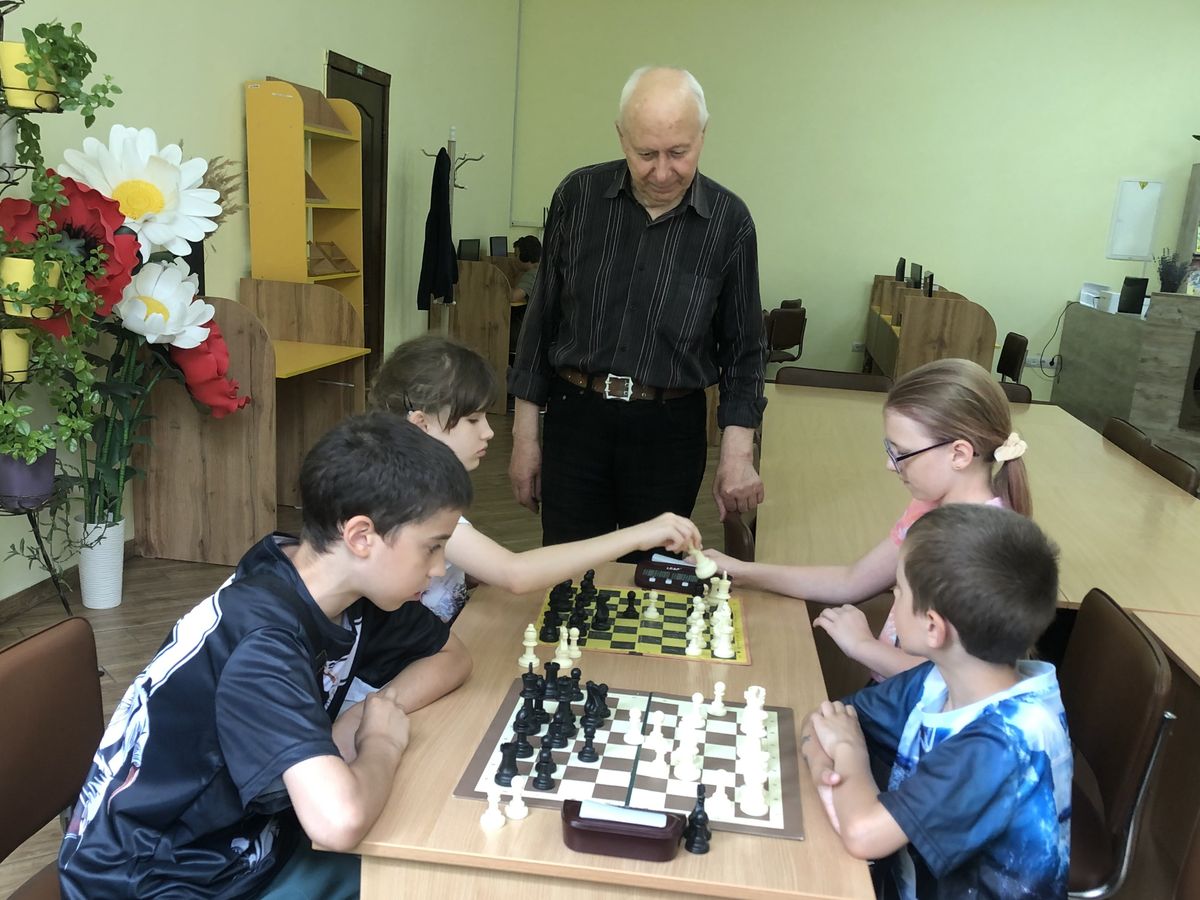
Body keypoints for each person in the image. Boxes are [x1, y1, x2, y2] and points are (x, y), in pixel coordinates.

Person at [59, 413, 474, 899]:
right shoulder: (263, 640)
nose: (439, 568)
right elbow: (337, 822)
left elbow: (453, 656)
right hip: (157, 881)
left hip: (244, 850)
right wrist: (381, 742)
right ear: (362, 536)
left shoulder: (340, 588)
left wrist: (368, 712)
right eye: (432, 548)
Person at [507, 65, 767, 558]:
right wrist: (525, 437)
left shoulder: (729, 222)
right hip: (575, 419)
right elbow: (541, 323)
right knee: (567, 570)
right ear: (621, 137)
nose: (662, 172)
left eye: (679, 153)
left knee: (654, 575)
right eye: (646, 154)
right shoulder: (577, 197)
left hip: (669, 431)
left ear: (703, 136)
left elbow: (745, 349)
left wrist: (737, 453)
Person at [800, 503, 1071, 899]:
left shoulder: (1002, 743)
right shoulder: (938, 680)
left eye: (898, 590)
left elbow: (861, 834)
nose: (893, 597)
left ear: (933, 626)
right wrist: (829, 762)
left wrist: (846, 753)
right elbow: (821, 720)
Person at [704, 358, 1031, 681]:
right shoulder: (929, 508)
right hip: (893, 691)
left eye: (901, 453)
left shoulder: (982, 550)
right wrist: (742, 571)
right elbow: (852, 579)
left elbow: (952, 683)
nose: (890, 465)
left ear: (959, 454)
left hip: (917, 706)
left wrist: (863, 646)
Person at [371, 334, 705, 624]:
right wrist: (640, 535)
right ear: (421, 424)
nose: (489, 432)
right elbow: (515, 574)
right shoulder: (414, 507)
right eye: (473, 420)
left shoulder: (422, 488)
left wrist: (470, 574)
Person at [510, 234, 541, 304]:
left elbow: (513, 297)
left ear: (525, 256)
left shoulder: (532, 274)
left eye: (516, 255)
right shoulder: (540, 269)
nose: (514, 259)